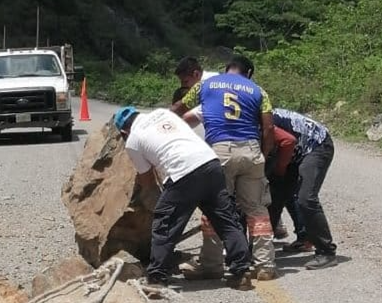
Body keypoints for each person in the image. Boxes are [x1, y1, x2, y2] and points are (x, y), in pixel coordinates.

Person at [113, 105, 252, 288]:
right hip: (210, 164)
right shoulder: (162, 113)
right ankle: (241, 272)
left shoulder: (133, 140)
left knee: (165, 224)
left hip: (183, 173)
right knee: (225, 221)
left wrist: (152, 199)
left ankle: (157, 278)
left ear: (124, 130)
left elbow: (147, 180)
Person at [170, 55, 278, 280]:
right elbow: (268, 128)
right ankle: (265, 265)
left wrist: (159, 123)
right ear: (248, 74)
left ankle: (211, 264)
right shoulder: (259, 91)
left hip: (220, 151)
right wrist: (263, 154)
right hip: (251, 150)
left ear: (226, 68)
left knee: (216, 208)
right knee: (257, 210)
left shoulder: (206, 84)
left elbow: (180, 108)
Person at [269, 108, 338, 269]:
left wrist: (280, 169)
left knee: (305, 198)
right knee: (275, 195)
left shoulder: (257, 119)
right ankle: (301, 238)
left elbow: (288, 141)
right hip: (295, 150)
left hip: (316, 145)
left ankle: (326, 252)